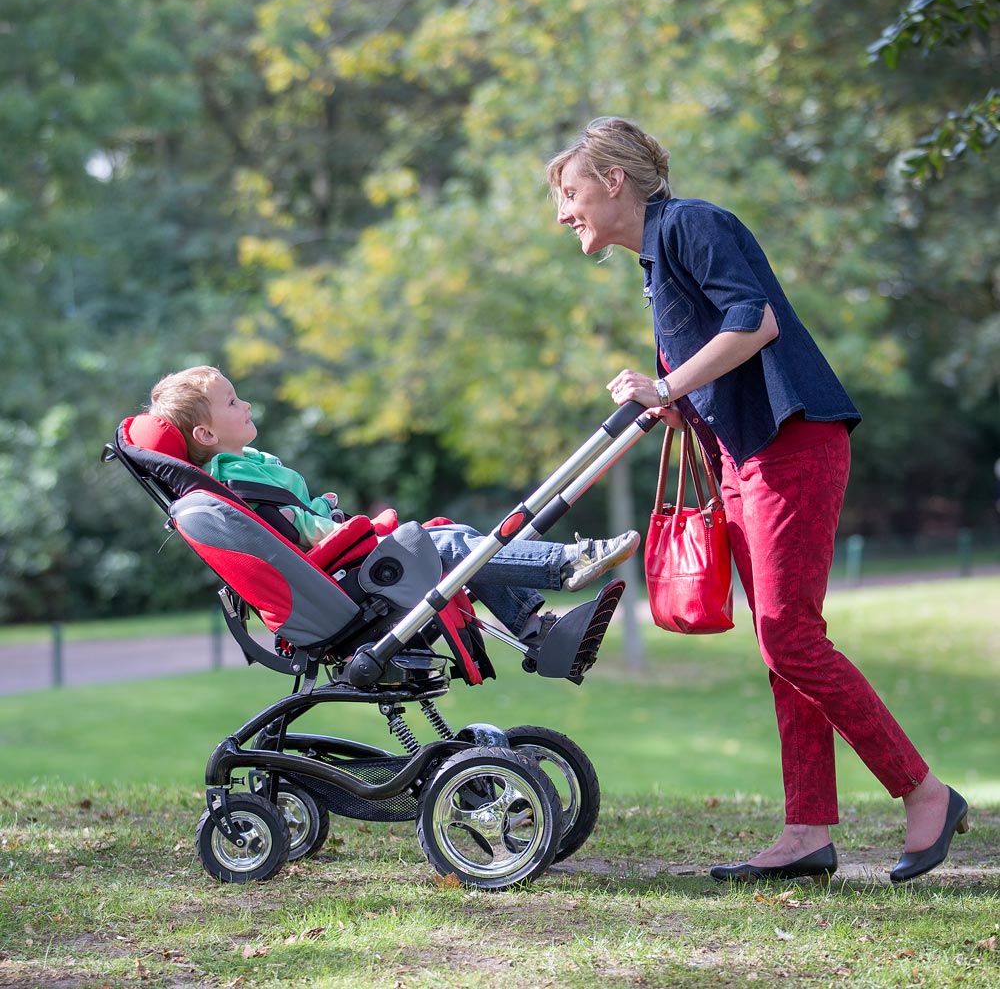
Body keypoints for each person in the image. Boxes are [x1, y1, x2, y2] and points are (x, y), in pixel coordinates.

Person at [545, 116, 968, 884]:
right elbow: (724, 359)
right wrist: (679, 403)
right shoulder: (657, 255)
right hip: (746, 454)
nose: (563, 212)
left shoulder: (691, 223)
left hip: (793, 443)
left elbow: (756, 320)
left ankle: (927, 794)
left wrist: (669, 382)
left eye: (571, 193)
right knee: (784, 650)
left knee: (790, 637)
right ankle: (807, 832)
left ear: (614, 182)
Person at [147, 365, 639, 646]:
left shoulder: (246, 465)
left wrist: (324, 513)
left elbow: (295, 516)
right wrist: (334, 525)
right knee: (446, 545)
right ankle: (567, 563)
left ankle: (533, 627)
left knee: (455, 538)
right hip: (342, 581)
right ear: (206, 434)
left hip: (341, 565)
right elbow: (291, 531)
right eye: (232, 403)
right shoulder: (231, 482)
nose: (246, 404)